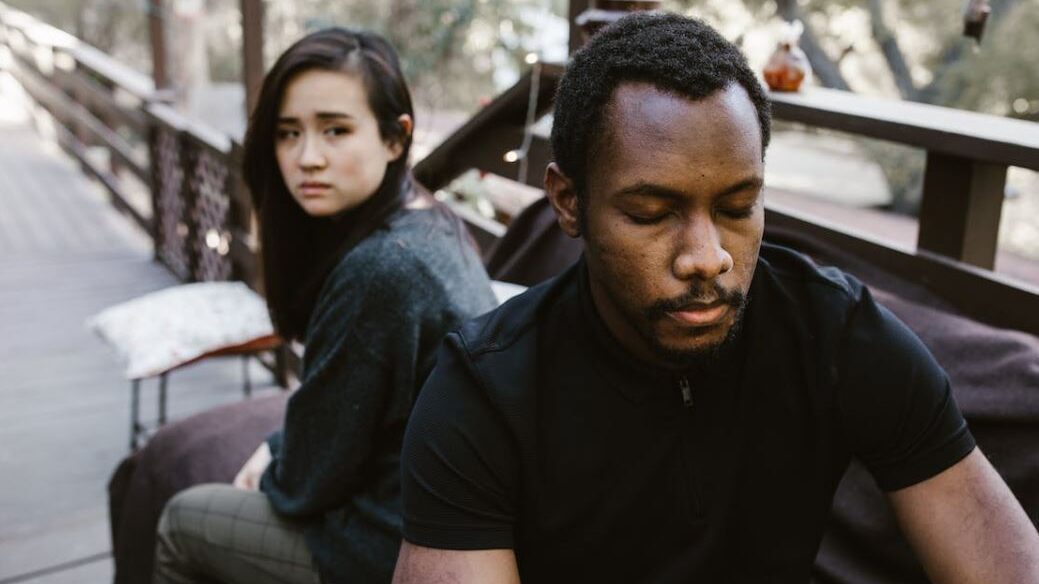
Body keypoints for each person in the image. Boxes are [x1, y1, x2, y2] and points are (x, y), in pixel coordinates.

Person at [393, 12, 1039, 584]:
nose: (707, 256)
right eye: (650, 212)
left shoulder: (836, 334)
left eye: (736, 206)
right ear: (568, 202)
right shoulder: (482, 392)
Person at [152, 28, 497, 584]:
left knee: (182, 520)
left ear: (395, 138)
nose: (307, 158)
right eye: (288, 134)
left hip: (401, 540)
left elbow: (307, 482)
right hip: (436, 503)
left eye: (335, 130)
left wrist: (272, 461)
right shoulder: (429, 221)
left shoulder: (382, 270)